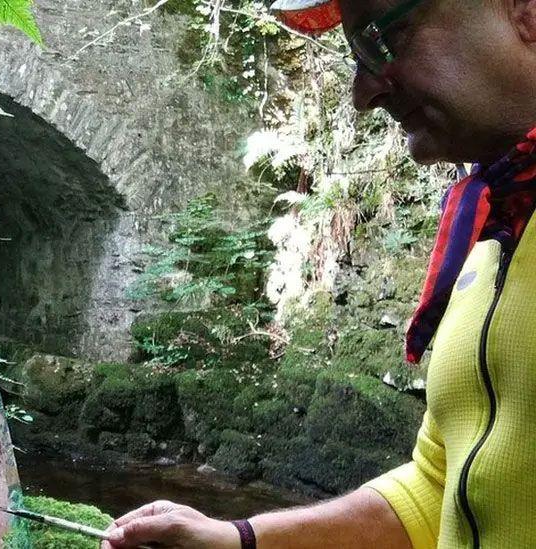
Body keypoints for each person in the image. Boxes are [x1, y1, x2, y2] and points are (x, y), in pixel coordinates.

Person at [102, 0, 536, 547]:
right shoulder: (491, 234)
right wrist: (240, 538)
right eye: (354, 55)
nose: (363, 93)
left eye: (384, 38)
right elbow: (437, 488)